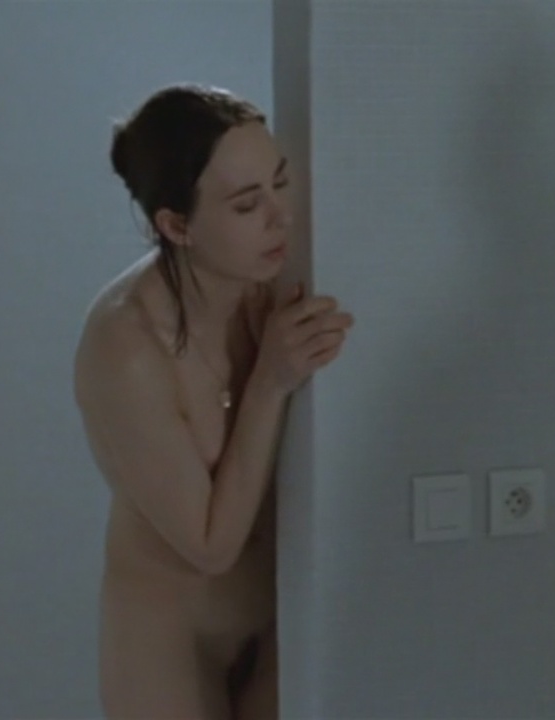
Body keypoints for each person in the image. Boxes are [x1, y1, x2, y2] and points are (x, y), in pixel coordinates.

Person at [72, 83, 354, 719]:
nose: (281, 216)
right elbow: (209, 546)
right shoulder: (127, 345)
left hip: (278, 614)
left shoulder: (273, 283)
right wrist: (271, 380)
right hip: (168, 635)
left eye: (281, 182)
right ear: (177, 226)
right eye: (247, 204)